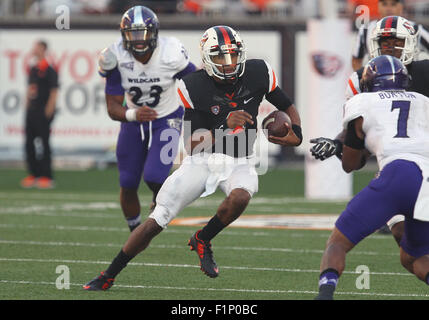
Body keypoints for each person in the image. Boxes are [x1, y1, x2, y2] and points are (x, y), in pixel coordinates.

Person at [83, 25, 303, 290]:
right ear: (207, 58)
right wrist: (224, 124)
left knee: (241, 196)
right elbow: (192, 143)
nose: (229, 62)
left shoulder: (258, 72)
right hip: (203, 160)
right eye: (221, 56)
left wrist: (297, 134)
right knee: (158, 218)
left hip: (240, 158)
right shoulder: (193, 86)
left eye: (233, 55)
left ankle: (202, 238)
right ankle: (109, 274)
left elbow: (287, 105)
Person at [315, 55, 429, 300]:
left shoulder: (362, 102)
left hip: (399, 173)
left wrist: (345, 147)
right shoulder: (423, 100)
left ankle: (324, 295)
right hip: (427, 179)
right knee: (413, 257)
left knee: (338, 243)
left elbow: (350, 163)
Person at [310, 15, 429, 242]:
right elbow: (356, 128)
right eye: (385, 43)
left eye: (397, 42)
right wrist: (337, 143)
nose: (390, 48)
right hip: (398, 164)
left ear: (410, 44)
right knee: (403, 234)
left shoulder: (425, 72)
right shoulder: (362, 79)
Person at [98, 5, 196, 232]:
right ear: (124, 35)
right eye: (133, 34)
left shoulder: (170, 52)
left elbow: (195, 81)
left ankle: (159, 197)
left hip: (168, 118)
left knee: (154, 176)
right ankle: (135, 231)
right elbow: (112, 107)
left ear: (154, 33)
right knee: (128, 182)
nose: (139, 40)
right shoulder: (114, 57)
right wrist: (133, 114)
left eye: (143, 33)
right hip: (134, 122)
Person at [20, 40, 59, 190]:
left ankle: (46, 176)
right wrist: (27, 105)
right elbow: (30, 89)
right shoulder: (33, 69)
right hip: (32, 111)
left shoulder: (50, 70)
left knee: (44, 143)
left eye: (36, 47)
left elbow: (54, 91)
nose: (34, 50)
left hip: (43, 111)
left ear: (43, 49)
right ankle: (34, 174)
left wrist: (49, 109)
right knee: (29, 143)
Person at [352, 0, 429, 71]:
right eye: (384, 4)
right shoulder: (366, 30)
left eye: (393, 4)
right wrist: (364, 79)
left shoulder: (415, 29)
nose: (388, 9)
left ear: (401, 7)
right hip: (378, 80)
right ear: (378, 6)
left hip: (409, 81)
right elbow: (356, 60)